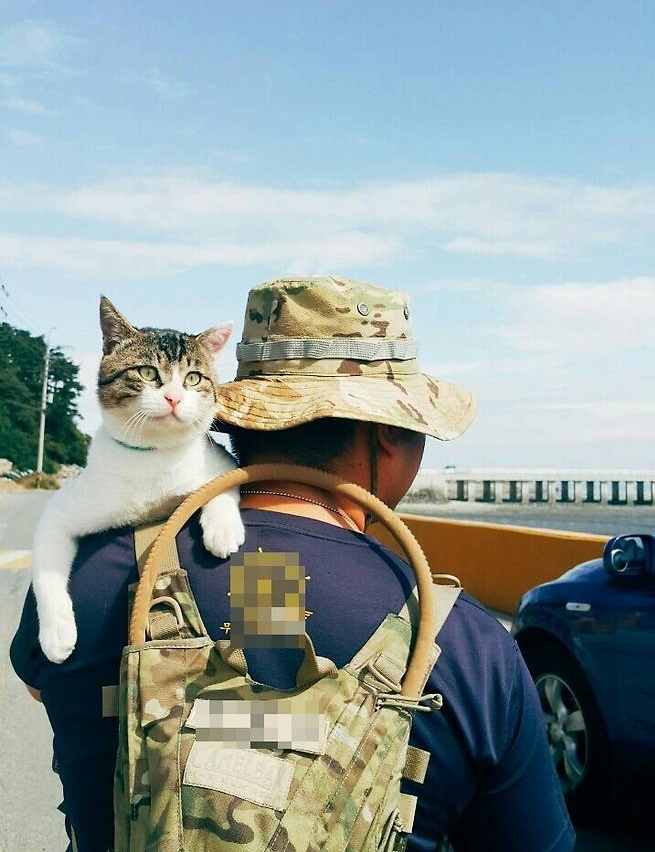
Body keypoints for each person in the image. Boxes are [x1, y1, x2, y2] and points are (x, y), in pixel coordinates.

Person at [11, 274, 575, 852]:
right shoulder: (464, 643)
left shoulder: (84, 577)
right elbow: (274, 651)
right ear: (388, 434)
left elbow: (47, 685)